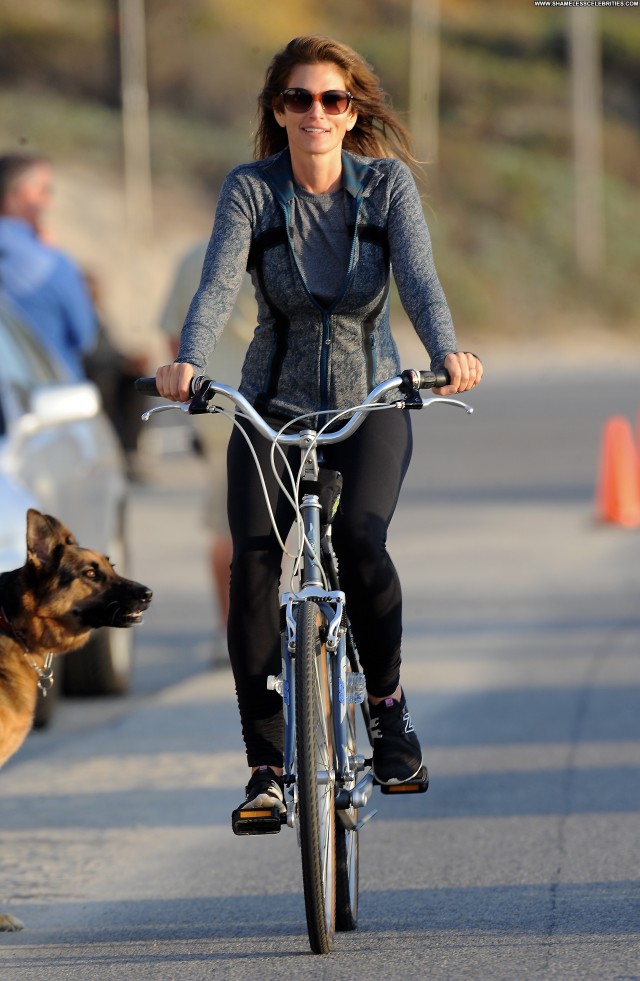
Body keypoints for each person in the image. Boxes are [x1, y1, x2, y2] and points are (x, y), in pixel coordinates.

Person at [154, 35, 483, 819]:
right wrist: (187, 364)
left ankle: (387, 708)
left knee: (363, 541)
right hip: (271, 405)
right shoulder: (251, 190)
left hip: (371, 398)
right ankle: (267, 762)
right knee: (256, 565)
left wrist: (448, 351)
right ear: (278, 110)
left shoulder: (387, 187)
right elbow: (212, 288)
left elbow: (422, 283)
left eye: (331, 99)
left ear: (352, 110)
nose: (315, 113)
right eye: (298, 99)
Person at [158, 240, 254, 659]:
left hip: (218, 405)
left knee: (228, 527)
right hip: (279, 403)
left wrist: (190, 393)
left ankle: (227, 628)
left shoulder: (193, 257)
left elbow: (172, 337)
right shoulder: (281, 243)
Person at [0, 152, 97, 380]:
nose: (50, 202)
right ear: (20, 194)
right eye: (44, 191)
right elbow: (86, 337)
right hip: (47, 398)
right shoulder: (52, 263)